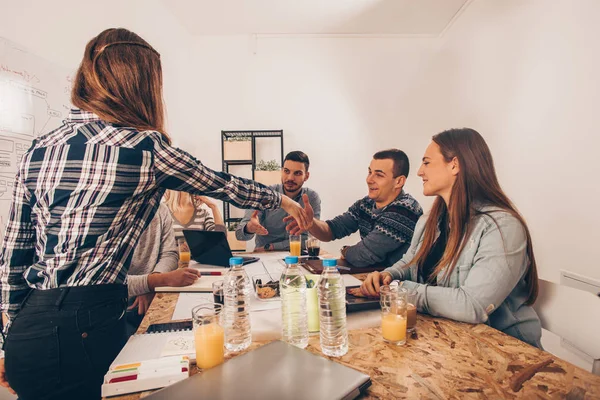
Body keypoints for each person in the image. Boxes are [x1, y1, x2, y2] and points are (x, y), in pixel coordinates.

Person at [0, 28, 307, 400]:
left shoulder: (39, 147)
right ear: (142, 85)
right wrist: (285, 202)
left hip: (29, 330)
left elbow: (13, 257)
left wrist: (11, 338)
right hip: (83, 328)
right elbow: (221, 183)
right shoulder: (144, 147)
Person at [360, 129, 542, 347]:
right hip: (452, 343)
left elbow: (472, 305)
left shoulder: (502, 227)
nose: (419, 171)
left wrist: (402, 289)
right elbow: (410, 263)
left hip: (506, 351)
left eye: (426, 162)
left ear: (455, 165)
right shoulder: (430, 220)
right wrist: (388, 275)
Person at [287, 149, 422, 267]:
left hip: (402, 289)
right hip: (374, 281)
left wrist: (345, 251)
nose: (369, 179)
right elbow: (332, 229)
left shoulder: (405, 209)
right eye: (370, 172)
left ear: (399, 181)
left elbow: (363, 255)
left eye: (379, 175)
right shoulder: (366, 203)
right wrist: (311, 224)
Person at [125, 203, 200, 336]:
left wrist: (155, 281)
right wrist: (154, 282)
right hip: (117, 306)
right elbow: (103, 281)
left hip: (153, 297)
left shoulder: (160, 209)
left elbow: (169, 254)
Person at [236, 151, 321, 251]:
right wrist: (249, 228)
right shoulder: (265, 194)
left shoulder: (311, 198)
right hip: (265, 256)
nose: (290, 178)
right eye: (286, 171)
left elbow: (311, 238)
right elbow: (239, 235)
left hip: (296, 255)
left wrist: (272, 247)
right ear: (281, 171)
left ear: (306, 176)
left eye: (297, 173)